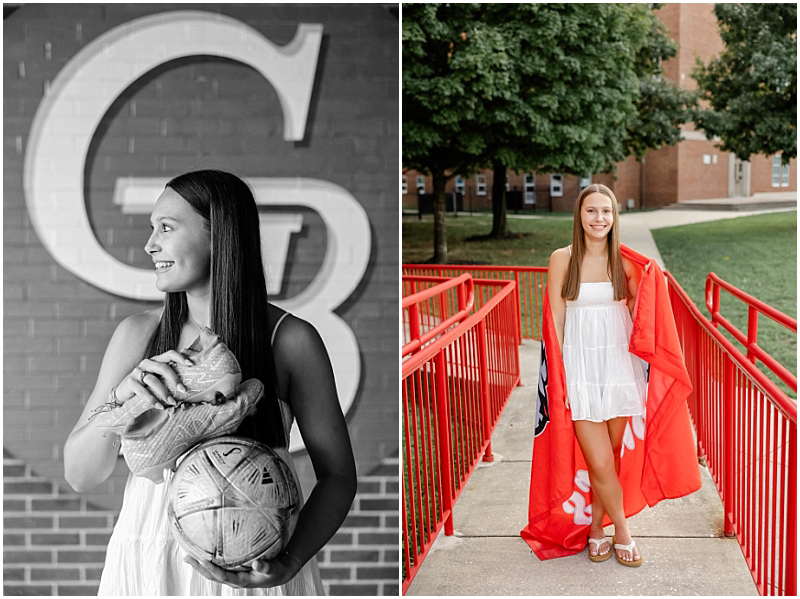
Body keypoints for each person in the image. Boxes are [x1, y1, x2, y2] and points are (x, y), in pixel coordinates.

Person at [64, 169, 357, 595]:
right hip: (149, 557)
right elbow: (80, 475)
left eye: (166, 227)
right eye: (152, 229)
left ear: (220, 235)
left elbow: (338, 476)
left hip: (253, 570)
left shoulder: (291, 341)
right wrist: (124, 399)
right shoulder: (138, 335)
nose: (150, 245)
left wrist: (291, 562)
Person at [544, 183, 647, 566]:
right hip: (580, 369)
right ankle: (624, 531)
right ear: (579, 215)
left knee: (613, 458)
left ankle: (596, 529)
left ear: (615, 217)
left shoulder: (626, 261)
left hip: (620, 367)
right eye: (591, 211)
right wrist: (560, 379)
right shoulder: (562, 259)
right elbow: (555, 323)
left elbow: (643, 314)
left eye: (606, 211)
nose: (599, 218)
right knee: (599, 461)